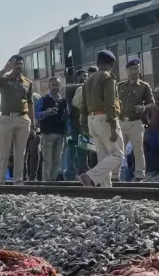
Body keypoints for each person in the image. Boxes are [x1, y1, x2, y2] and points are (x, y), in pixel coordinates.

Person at [78, 51, 123, 187]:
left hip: (92, 120)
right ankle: (90, 176)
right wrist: (113, 127)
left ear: (97, 64)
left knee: (103, 156)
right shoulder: (108, 78)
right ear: (111, 64)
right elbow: (110, 104)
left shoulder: (88, 80)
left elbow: (83, 105)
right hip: (104, 118)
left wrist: (84, 125)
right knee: (117, 155)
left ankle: (105, 190)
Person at [0, 55, 34, 185]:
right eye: (16, 64)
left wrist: (34, 126)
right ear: (11, 65)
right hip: (7, 118)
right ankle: (0, 182)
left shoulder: (27, 83)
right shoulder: (3, 79)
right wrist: (4, 70)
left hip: (23, 119)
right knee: (3, 152)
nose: (18, 66)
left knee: (21, 154)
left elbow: (30, 104)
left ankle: (18, 182)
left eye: (20, 64)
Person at [117, 56, 152, 182]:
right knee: (118, 150)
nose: (133, 71)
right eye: (130, 68)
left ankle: (139, 175)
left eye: (135, 68)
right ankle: (115, 175)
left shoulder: (144, 86)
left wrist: (143, 108)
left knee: (138, 150)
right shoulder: (119, 86)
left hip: (136, 122)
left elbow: (151, 103)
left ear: (139, 70)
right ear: (126, 71)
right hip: (121, 122)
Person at [35, 80, 67, 182]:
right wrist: (46, 113)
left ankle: (53, 181)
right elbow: (35, 114)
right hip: (47, 133)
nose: (54, 87)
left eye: (56, 85)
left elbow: (67, 116)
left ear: (60, 86)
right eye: (52, 85)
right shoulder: (43, 99)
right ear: (49, 86)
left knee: (57, 160)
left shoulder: (63, 101)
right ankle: (46, 181)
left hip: (60, 133)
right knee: (47, 160)